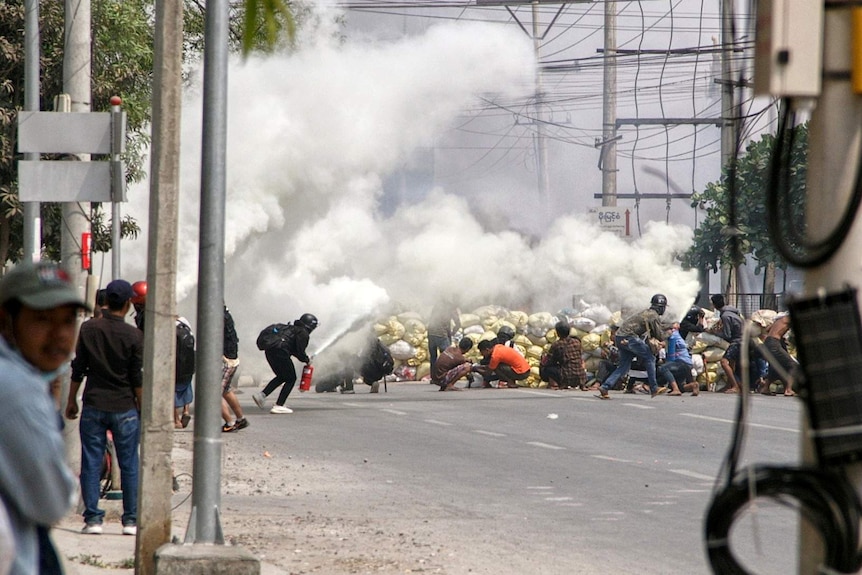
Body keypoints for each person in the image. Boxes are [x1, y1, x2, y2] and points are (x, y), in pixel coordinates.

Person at [0, 263, 82, 573]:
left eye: (68, 320)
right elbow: (51, 503)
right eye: (42, 319)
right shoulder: (18, 392)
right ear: (6, 320)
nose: (60, 335)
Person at [67, 279, 144, 536]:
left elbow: (78, 368)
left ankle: (93, 520)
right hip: (124, 407)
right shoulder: (134, 335)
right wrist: (142, 408)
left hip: (94, 404)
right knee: (130, 463)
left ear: (107, 301)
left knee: (91, 462)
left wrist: (71, 400)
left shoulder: (88, 329)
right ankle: (131, 520)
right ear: (128, 303)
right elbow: (137, 378)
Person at [597, 294, 669, 399]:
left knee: (623, 367)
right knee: (650, 358)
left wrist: (669, 326)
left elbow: (657, 328)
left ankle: (605, 387)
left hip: (620, 337)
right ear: (661, 307)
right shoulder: (654, 315)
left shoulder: (647, 312)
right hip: (630, 338)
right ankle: (654, 387)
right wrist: (669, 333)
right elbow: (659, 335)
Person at [253, 313, 317, 414]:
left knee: (282, 376)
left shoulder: (290, 328)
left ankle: (262, 395)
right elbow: (300, 352)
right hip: (281, 352)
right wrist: (307, 360)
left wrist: (305, 358)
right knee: (291, 378)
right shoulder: (303, 333)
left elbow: (294, 350)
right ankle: (279, 405)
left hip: (270, 351)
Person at [221, 304, 249, 432]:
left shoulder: (218, 316)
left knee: (212, 394)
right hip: (231, 358)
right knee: (225, 390)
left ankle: (229, 422)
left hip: (225, 360)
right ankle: (240, 419)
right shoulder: (225, 314)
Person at [710, 294, 744, 394]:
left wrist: (715, 333)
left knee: (724, 362)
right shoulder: (732, 312)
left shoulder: (725, 316)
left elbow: (727, 335)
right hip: (743, 340)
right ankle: (729, 385)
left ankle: (735, 386)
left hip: (737, 341)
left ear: (715, 305)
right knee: (731, 363)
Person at [761, 312, 798, 397]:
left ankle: (765, 388)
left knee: (775, 366)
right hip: (774, 343)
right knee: (793, 365)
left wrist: (780, 334)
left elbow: (767, 329)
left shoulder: (779, 320)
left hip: (768, 342)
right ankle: (788, 390)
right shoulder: (789, 318)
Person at [543, 321, 588, 390]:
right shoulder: (577, 342)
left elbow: (550, 361)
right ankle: (582, 385)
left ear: (558, 333)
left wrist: (544, 360)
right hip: (581, 377)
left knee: (546, 368)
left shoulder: (557, 344)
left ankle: (559, 384)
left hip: (566, 377)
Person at [659, 321, 699, 396]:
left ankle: (675, 389)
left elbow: (671, 355)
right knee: (678, 386)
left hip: (681, 362)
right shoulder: (676, 335)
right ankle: (693, 385)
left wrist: (667, 365)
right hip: (686, 364)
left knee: (663, 368)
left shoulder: (672, 336)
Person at [426, 300, 461, 373]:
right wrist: (452, 333)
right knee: (448, 356)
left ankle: (434, 377)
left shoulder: (438, 305)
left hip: (431, 333)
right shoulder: (452, 308)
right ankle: (445, 375)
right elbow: (458, 324)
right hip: (441, 334)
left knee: (433, 358)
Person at [174, 316, 195, 429]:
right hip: (188, 363)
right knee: (186, 386)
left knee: (171, 391)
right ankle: (186, 411)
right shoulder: (183, 321)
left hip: (175, 364)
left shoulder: (167, 324)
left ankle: (176, 420)